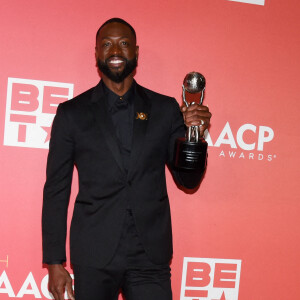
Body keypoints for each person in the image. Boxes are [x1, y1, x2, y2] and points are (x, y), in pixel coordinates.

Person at [42, 18, 211, 300]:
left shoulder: (165, 108)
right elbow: (56, 189)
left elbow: (188, 181)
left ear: (136, 51)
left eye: (123, 43)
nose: (115, 50)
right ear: (97, 53)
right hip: (94, 253)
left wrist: (196, 138)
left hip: (150, 255)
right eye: (107, 44)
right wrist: (54, 262)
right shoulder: (72, 113)